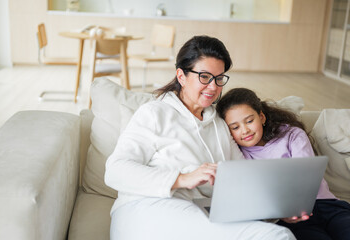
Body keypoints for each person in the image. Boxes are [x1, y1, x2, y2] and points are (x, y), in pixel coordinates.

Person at [104, 36, 295, 240]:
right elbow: (116, 170)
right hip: (146, 208)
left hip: (202, 213)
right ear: (181, 76)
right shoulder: (154, 113)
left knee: (278, 233)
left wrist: (277, 209)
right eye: (204, 77)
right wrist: (183, 179)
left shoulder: (220, 123)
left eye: (219, 78)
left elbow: (242, 176)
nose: (213, 87)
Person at [216, 87, 350, 240]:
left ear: (262, 117)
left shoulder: (292, 135)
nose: (245, 130)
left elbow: (306, 175)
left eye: (249, 121)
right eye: (235, 127)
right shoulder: (237, 155)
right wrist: (283, 211)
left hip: (328, 205)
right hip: (292, 219)